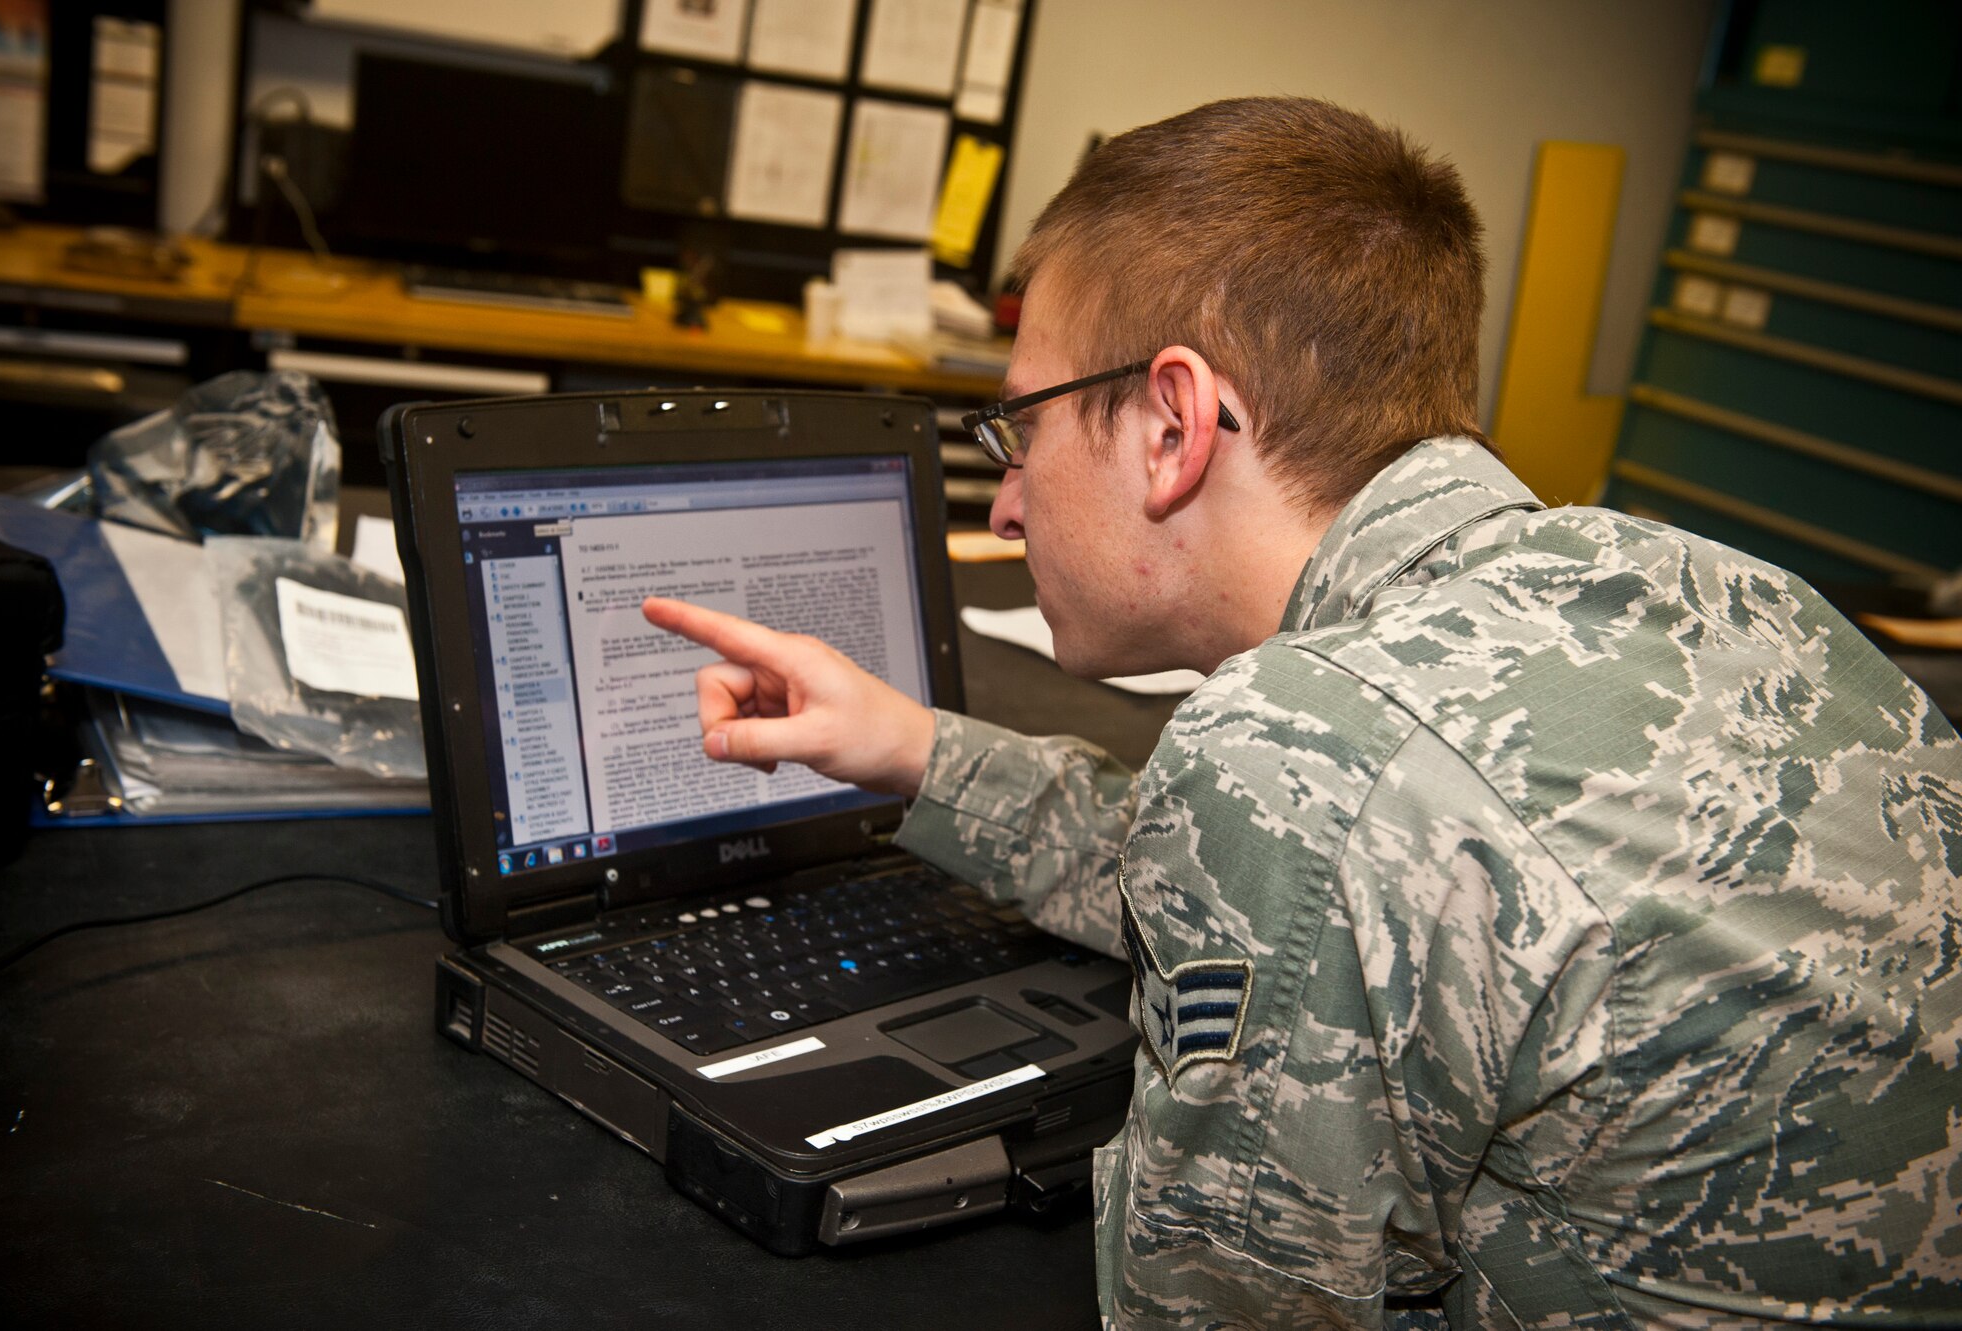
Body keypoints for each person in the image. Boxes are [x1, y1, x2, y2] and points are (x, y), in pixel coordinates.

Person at [643, 98, 1962, 1327]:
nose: (1004, 500)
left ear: (1172, 426)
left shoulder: (1309, 746)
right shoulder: (1712, 590)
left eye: (1019, 430)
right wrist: (909, 746)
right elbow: (1347, 880)